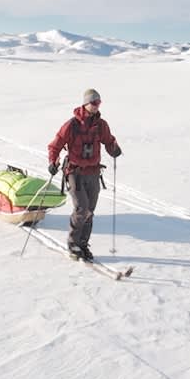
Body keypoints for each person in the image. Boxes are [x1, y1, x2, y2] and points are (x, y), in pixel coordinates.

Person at [47, 88, 122, 262]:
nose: (97, 106)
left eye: (99, 103)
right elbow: (55, 145)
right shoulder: (71, 125)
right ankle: (73, 243)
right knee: (81, 208)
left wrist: (114, 149)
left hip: (94, 172)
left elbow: (109, 140)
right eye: (94, 103)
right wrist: (53, 162)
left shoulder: (101, 125)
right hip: (75, 172)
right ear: (86, 104)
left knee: (90, 211)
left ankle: (83, 244)